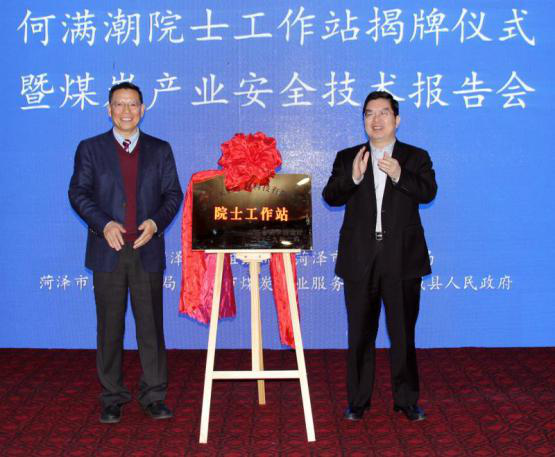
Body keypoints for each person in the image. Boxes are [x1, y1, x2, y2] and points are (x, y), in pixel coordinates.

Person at [68, 82, 183, 424]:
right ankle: (112, 396)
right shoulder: (90, 149)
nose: (126, 111)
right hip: (108, 250)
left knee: (151, 327)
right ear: (109, 110)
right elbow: (78, 193)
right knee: (109, 327)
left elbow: (173, 194)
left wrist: (156, 223)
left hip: (147, 249)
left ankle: (154, 395)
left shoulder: (160, 149)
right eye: (119, 104)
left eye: (133, 104)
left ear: (143, 109)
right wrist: (104, 224)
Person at [322, 91, 437, 422]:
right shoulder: (349, 157)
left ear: (396, 120)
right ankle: (358, 401)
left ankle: (407, 400)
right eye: (369, 113)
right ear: (364, 120)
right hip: (360, 257)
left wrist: (400, 175)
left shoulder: (415, 157)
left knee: (402, 332)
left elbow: (428, 191)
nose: (376, 119)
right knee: (360, 333)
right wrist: (354, 177)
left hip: (402, 257)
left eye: (384, 113)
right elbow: (331, 195)